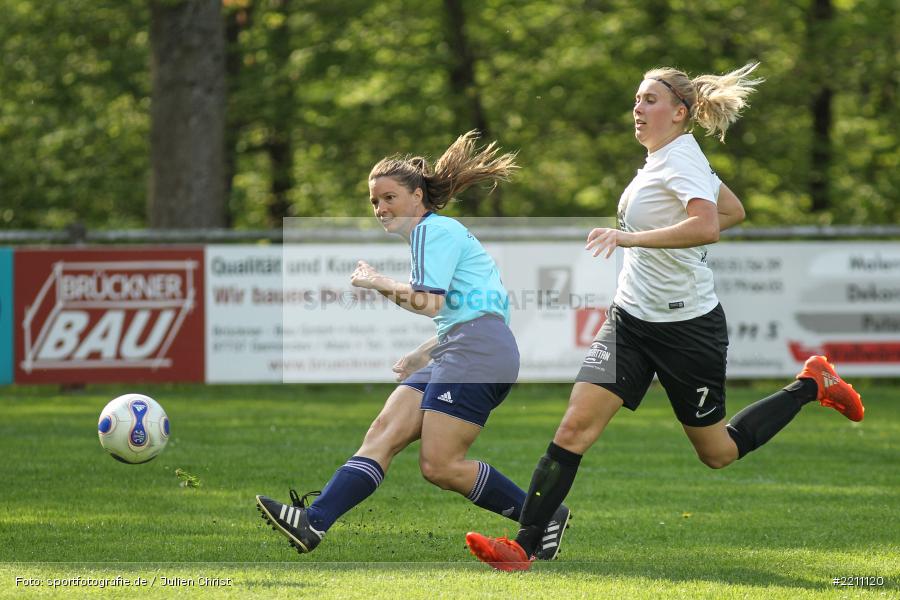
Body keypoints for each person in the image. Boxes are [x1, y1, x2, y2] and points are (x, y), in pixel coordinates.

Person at [465, 63, 865, 571]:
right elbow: (734, 209)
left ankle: (812, 384)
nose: (638, 107)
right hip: (631, 321)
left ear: (680, 113)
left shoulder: (681, 162)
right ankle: (522, 546)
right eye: (636, 99)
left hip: (687, 330)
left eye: (649, 99)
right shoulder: (661, 160)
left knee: (717, 452)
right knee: (573, 431)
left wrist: (630, 238)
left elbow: (710, 226)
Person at [256, 131, 569, 560]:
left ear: (417, 196)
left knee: (439, 465)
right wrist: (425, 352)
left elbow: (429, 301)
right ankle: (314, 522)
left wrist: (376, 281)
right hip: (464, 346)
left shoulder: (431, 232)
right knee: (383, 433)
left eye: (389, 198)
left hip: (476, 352)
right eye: (374, 202)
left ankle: (544, 517)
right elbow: (468, 308)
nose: (380, 209)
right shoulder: (437, 233)